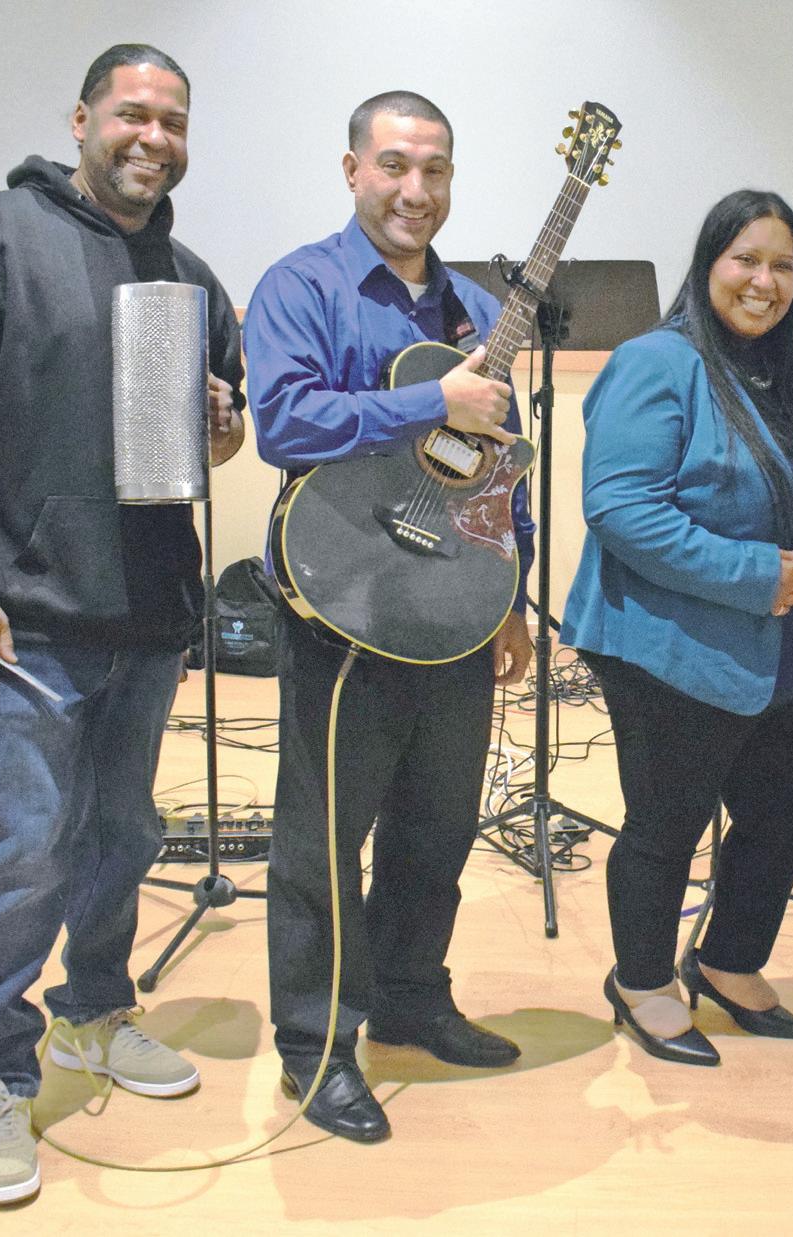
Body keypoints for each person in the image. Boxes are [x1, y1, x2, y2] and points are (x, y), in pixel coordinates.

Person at [0, 45, 244, 1205]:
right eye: (133, 114)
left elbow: (217, 444)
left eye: (172, 120)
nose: (154, 137)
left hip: (149, 609)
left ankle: (94, 1011)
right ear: (82, 117)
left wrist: (220, 425)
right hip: (23, 613)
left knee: (121, 835)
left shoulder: (189, 274)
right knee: (24, 846)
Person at [243, 90, 535, 1143]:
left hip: (456, 604)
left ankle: (411, 998)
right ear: (354, 170)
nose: (417, 189)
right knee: (324, 838)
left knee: (438, 823)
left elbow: (499, 467)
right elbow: (283, 421)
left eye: (436, 169)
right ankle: (317, 1043)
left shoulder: (477, 310)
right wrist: (430, 402)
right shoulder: (302, 285)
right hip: (344, 602)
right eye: (397, 165)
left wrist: (513, 597)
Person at [563, 189, 793, 1066]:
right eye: (747, 259)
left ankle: (729, 961)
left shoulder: (790, 377)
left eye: (784, 266)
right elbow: (620, 507)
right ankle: (642, 981)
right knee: (668, 824)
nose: (765, 281)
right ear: (708, 265)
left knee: (779, 819)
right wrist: (750, 573)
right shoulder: (656, 362)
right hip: (676, 648)